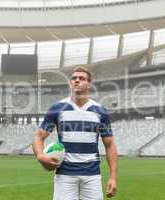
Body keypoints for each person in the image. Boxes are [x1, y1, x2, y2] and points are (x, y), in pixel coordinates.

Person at [33, 66, 118, 200]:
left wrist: (113, 177)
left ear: (89, 84)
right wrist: (40, 156)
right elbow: (39, 136)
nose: (77, 81)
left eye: (81, 78)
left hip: (92, 175)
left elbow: (110, 144)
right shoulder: (57, 109)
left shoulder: (100, 111)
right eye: (74, 78)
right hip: (65, 175)